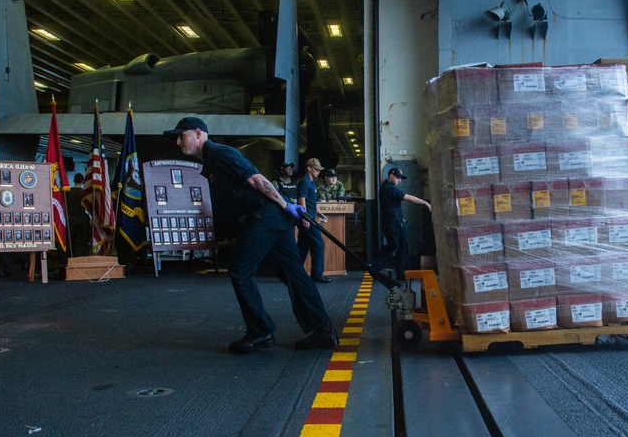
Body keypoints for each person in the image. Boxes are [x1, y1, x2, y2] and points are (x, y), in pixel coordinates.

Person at [164, 117, 338, 353]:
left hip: (265, 215)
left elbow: (257, 179)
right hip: (272, 216)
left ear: (197, 133)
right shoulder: (211, 160)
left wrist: (285, 205)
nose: (177, 141)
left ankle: (260, 332)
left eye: (181, 135)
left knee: (239, 268)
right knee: (292, 272)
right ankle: (323, 330)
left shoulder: (218, 153)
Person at [375, 167, 431, 281]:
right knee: (402, 247)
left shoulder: (385, 187)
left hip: (390, 222)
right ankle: (404, 273)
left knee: (393, 245)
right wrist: (425, 203)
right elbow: (409, 198)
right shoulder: (390, 188)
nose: (399, 180)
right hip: (395, 222)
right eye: (398, 177)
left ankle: (376, 265)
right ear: (391, 175)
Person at [296, 158, 331, 284]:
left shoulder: (311, 182)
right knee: (318, 244)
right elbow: (302, 199)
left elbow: (311, 202)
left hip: (309, 217)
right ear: (309, 168)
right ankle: (317, 274)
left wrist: (318, 212)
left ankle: (295, 272)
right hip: (307, 219)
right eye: (316, 169)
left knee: (303, 247)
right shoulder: (305, 182)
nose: (318, 172)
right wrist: (305, 217)